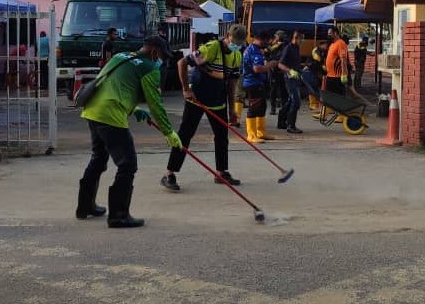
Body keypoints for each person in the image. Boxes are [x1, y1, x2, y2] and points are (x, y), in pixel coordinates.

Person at [76, 36, 182, 228]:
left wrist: (134, 109)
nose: (161, 62)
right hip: (111, 115)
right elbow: (155, 103)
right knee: (127, 165)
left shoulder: (120, 57)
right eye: (162, 57)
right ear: (154, 52)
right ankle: (118, 216)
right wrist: (168, 132)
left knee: (98, 158)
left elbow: (112, 84)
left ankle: (85, 207)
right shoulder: (150, 68)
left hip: (92, 110)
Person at [161, 24, 247, 191]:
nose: (236, 45)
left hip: (218, 100)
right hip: (197, 98)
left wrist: (232, 110)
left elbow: (231, 84)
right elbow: (182, 62)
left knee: (222, 136)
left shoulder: (237, 55)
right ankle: (169, 174)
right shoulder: (212, 48)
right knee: (185, 135)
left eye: (239, 43)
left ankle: (222, 172)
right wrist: (186, 90)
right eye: (234, 41)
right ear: (227, 36)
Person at [243, 30, 280, 143]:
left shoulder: (255, 49)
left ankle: (261, 132)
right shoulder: (253, 51)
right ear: (262, 39)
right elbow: (257, 68)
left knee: (261, 107)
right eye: (267, 41)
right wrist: (270, 65)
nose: (268, 43)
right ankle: (251, 134)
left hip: (258, 82)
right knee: (254, 108)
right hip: (253, 83)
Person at [277, 30, 304, 134]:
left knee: (290, 100)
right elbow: (280, 64)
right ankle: (291, 125)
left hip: (296, 77)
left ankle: (281, 121)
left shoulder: (296, 48)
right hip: (289, 78)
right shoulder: (288, 48)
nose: (301, 41)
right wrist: (290, 71)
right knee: (296, 101)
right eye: (300, 38)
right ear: (295, 37)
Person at [266, 30, 288, 116]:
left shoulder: (285, 46)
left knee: (283, 90)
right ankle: (273, 108)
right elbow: (267, 54)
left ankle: (283, 107)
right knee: (273, 89)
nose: (275, 38)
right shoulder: (272, 45)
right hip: (273, 70)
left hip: (281, 70)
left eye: (276, 36)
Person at [306, 41, 327, 112]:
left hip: (316, 70)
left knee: (316, 86)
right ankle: (312, 104)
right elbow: (317, 62)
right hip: (311, 70)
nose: (326, 46)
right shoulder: (316, 51)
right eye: (325, 45)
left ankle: (316, 103)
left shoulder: (322, 51)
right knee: (312, 87)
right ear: (322, 45)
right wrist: (322, 67)